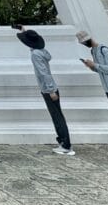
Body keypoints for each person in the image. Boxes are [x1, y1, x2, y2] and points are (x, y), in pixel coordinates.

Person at [16, 26, 74, 155]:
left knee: (57, 117)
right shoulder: (42, 51)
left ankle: (65, 144)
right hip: (51, 88)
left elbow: (44, 73)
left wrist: (50, 90)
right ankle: (63, 141)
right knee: (57, 115)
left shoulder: (36, 55)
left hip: (49, 90)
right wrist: (23, 31)